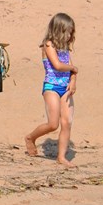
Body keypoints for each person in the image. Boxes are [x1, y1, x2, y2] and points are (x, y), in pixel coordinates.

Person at [25, 12, 78, 167]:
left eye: (71, 32)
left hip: (66, 88)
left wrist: (73, 81)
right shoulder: (49, 45)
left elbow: (72, 72)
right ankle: (30, 137)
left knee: (66, 122)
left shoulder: (66, 49)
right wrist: (74, 68)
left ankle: (61, 156)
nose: (69, 35)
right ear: (58, 30)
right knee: (53, 124)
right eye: (67, 31)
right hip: (51, 87)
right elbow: (58, 65)